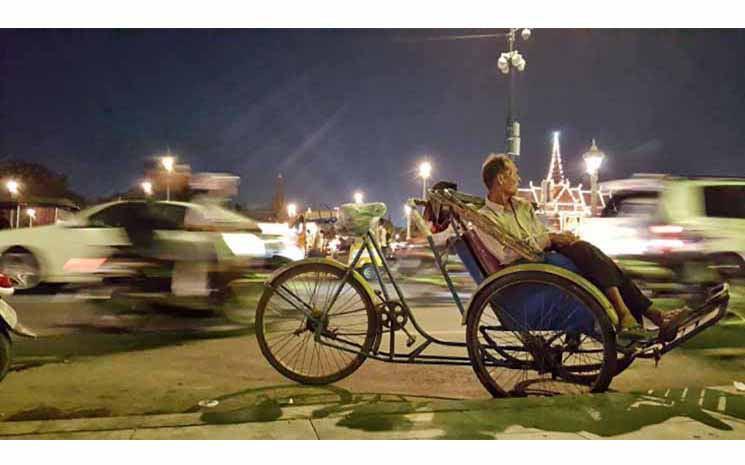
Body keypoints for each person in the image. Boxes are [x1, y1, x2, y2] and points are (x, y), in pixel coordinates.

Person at [475, 153, 691, 343]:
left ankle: (647, 316)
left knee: (597, 257)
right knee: (587, 254)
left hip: (545, 255)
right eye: (513, 173)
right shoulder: (485, 218)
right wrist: (549, 238)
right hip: (527, 268)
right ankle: (637, 315)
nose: (518, 178)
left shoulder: (522, 206)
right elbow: (506, 255)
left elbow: (540, 232)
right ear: (501, 179)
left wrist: (557, 237)